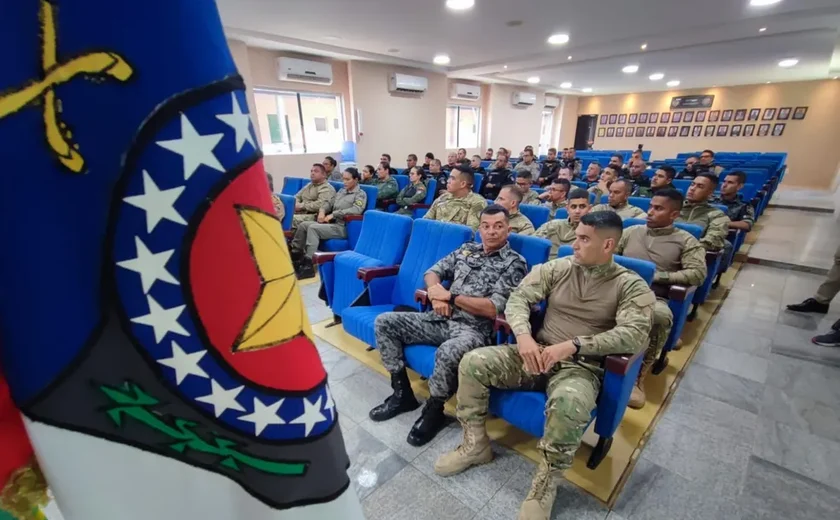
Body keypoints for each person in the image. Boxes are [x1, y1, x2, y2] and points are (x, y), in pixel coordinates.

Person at [434, 211, 655, 519]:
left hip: (581, 367)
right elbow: (518, 299)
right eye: (576, 236)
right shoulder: (560, 267)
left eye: (583, 239)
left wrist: (575, 345)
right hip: (535, 352)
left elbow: (633, 334)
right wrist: (523, 336)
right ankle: (476, 446)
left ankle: (546, 481)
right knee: (473, 362)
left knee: (570, 402)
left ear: (608, 245)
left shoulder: (630, 285)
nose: (573, 244)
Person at [370, 206, 527, 446]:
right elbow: (433, 272)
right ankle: (402, 394)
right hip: (440, 320)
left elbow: (493, 307)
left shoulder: (514, 263)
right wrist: (435, 293)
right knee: (385, 322)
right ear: (480, 228)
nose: (491, 231)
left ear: (509, 229)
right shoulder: (467, 249)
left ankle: (435, 410)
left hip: (473, 331)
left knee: (449, 351)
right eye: (486, 226)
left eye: (498, 226)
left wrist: (451, 298)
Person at [615, 189, 707, 408]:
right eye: (650, 206)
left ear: (674, 215)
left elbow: (698, 273)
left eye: (658, 208)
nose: (650, 212)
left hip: (653, 296)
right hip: (617, 289)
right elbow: (609, 257)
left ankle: (638, 376)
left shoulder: (685, 240)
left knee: (660, 316)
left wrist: (660, 276)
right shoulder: (631, 231)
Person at [290, 168, 367, 279]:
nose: (344, 182)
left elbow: (356, 210)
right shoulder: (341, 191)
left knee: (313, 228)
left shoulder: (360, 194)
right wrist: (322, 210)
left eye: (347, 179)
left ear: (355, 180)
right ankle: (296, 256)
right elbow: (329, 203)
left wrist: (334, 214)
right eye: (343, 179)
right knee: (304, 225)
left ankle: (309, 265)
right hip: (332, 224)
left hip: (344, 227)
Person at [678, 173, 730, 251]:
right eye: (692, 184)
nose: (692, 188)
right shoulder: (673, 207)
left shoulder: (717, 215)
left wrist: (682, 246)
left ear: (710, 193)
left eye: (700, 186)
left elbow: (713, 241)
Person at [534, 188, 591, 257]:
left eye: (582, 207)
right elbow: (532, 242)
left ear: (589, 209)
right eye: (573, 207)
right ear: (567, 209)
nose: (577, 211)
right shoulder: (552, 225)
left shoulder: (594, 233)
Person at [293, 163, 336, 229]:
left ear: (324, 175)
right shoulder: (309, 185)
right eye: (311, 171)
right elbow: (297, 196)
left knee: (289, 219)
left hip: (314, 216)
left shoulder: (326, 188)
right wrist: (295, 203)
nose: (312, 173)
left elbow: (321, 205)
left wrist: (302, 206)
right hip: (301, 212)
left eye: (316, 171)